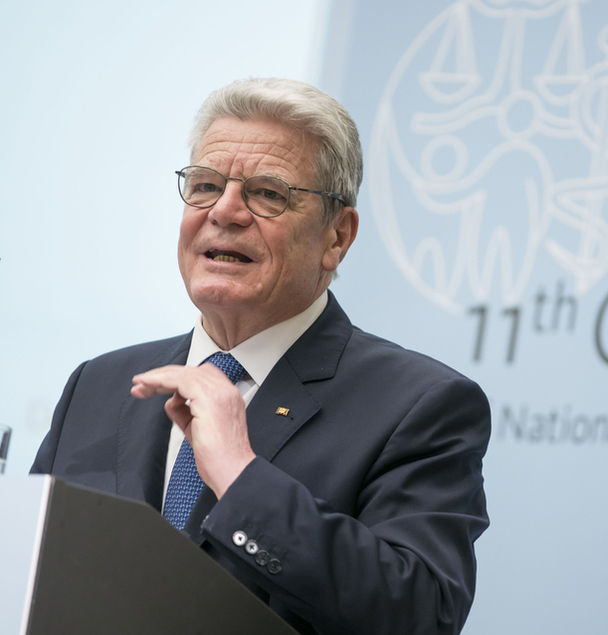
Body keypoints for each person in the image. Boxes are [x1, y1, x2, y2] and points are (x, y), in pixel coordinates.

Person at [31, 78, 490, 635]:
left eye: (268, 193)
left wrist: (240, 475)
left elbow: (418, 613)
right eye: (204, 185)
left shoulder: (420, 405)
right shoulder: (97, 384)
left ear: (337, 237)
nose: (224, 211)